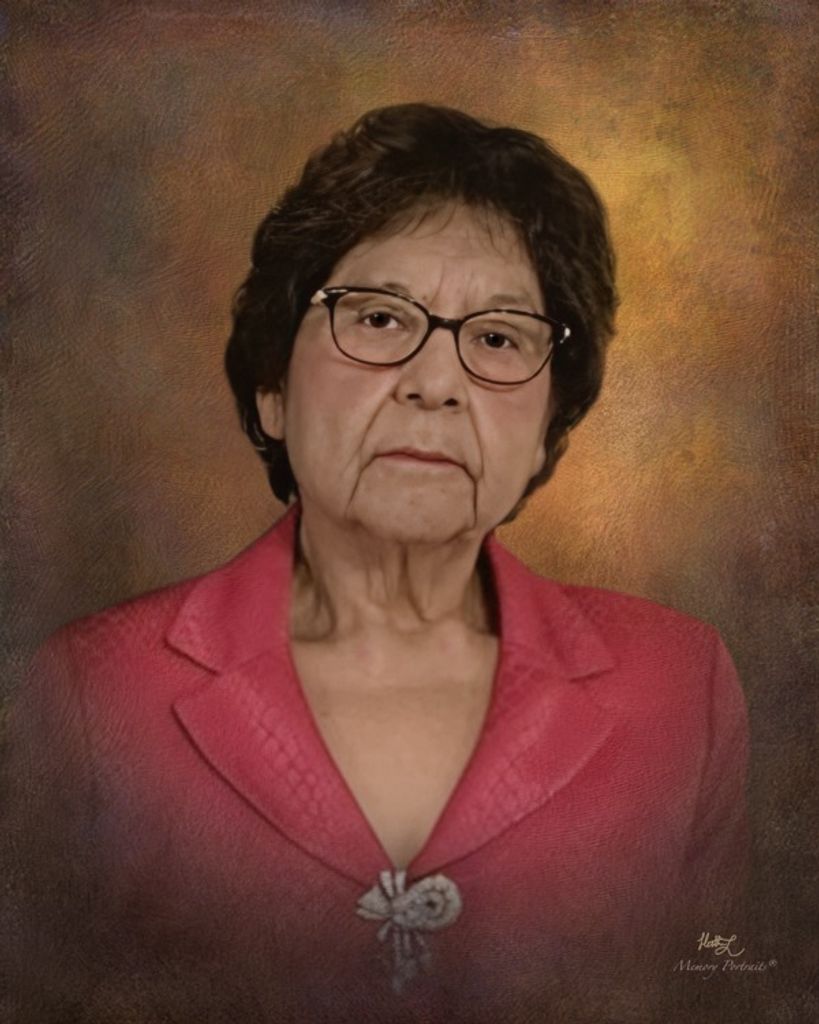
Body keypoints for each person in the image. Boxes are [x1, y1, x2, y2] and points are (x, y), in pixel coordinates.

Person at [1, 103, 750, 1024]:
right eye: (379, 318)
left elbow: (729, 989)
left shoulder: (677, 690)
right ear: (272, 388)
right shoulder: (92, 695)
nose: (434, 384)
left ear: (546, 429)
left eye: (498, 337)